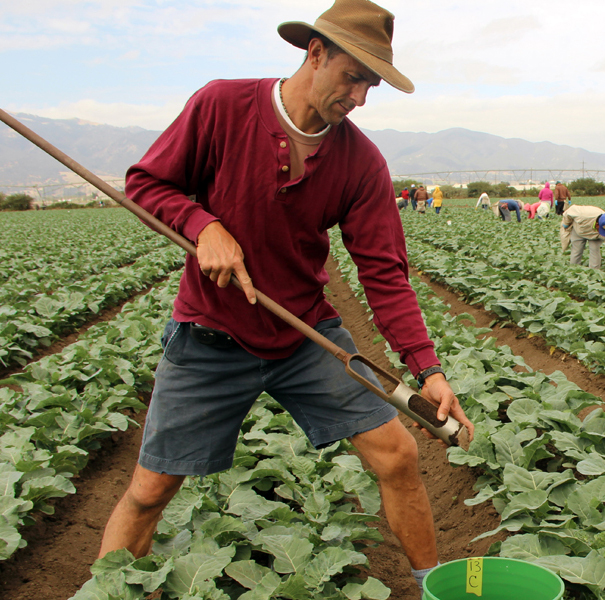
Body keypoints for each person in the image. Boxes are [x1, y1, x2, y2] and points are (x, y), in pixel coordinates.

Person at [97, 1, 474, 595]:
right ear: (315, 53)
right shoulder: (222, 106)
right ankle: (107, 589)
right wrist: (203, 226)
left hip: (305, 335)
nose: (360, 98)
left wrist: (425, 367)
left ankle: (433, 587)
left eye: (371, 85)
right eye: (353, 77)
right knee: (150, 489)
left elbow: (384, 272)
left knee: (398, 455)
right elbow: (146, 182)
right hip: (212, 333)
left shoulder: (360, 162)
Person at [560, 204, 605, 269]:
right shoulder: (583, 214)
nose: (603, 232)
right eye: (601, 230)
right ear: (597, 224)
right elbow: (569, 212)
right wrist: (566, 223)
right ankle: (573, 269)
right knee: (576, 251)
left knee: (595, 251)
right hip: (579, 230)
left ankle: (594, 272)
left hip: (595, 236)